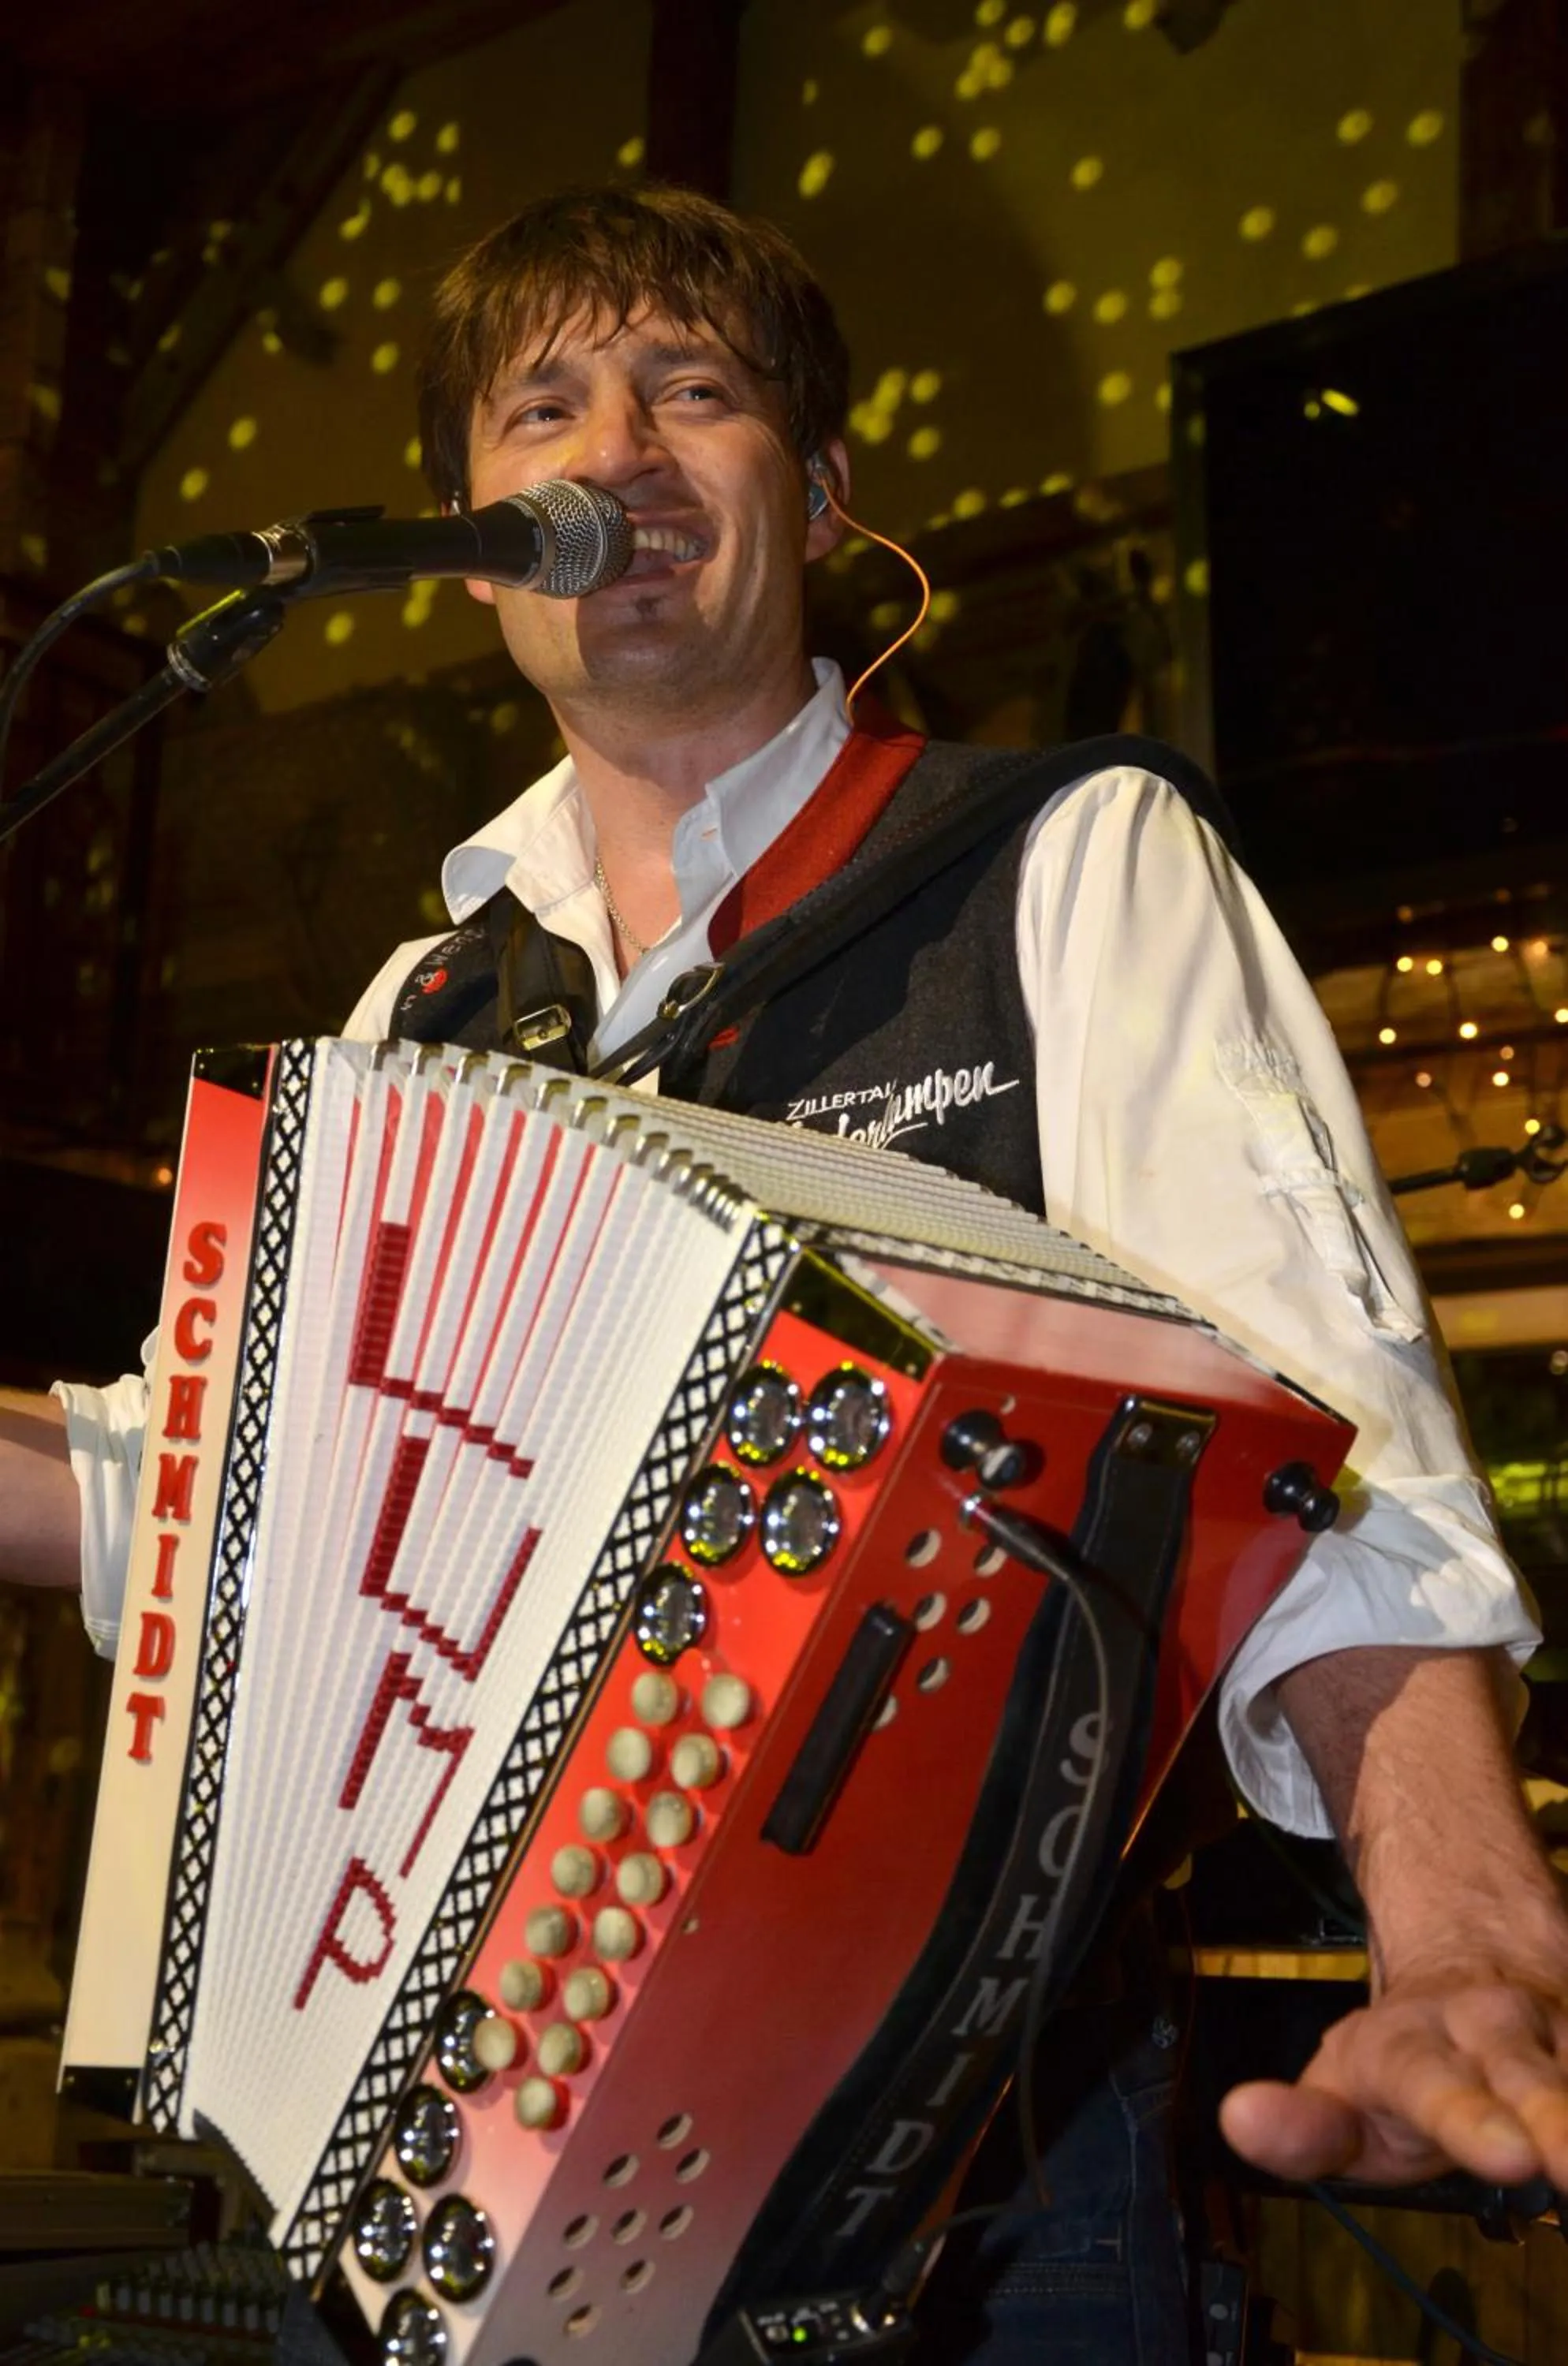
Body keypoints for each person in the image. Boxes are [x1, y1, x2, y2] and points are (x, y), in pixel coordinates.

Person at [7, 184, 1568, 2361]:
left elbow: (1327, 1456)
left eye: (692, 392)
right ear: (475, 540)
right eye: (543, 410)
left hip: (968, 2196)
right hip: (433, 2178)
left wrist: (1464, 1944)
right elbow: (232, 1486)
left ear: (818, 495)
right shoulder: (420, 1009)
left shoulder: (1062, 861)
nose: (615, 455)